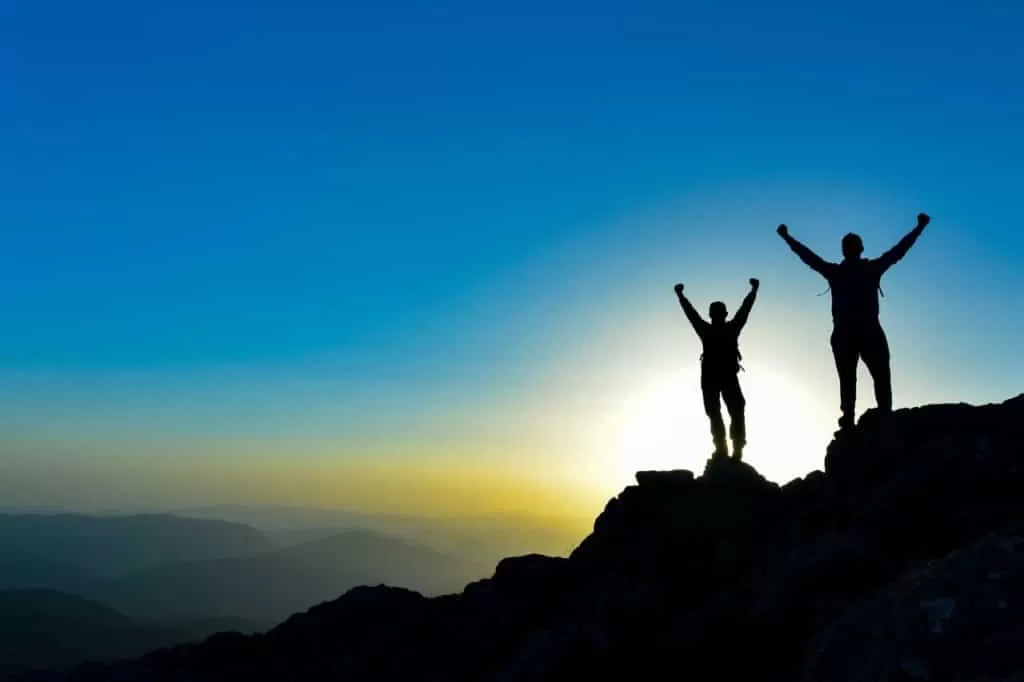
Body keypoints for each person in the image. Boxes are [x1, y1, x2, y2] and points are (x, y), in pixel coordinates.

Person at [776, 213, 931, 431]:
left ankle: (863, 416)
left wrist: (786, 237)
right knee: (863, 377)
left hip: (858, 332)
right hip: (854, 333)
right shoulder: (854, 270)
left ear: (851, 249)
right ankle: (862, 416)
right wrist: (919, 227)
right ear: (859, 248)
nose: (849, 248)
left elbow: (808, 257)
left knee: (866, 377)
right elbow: (899, 251)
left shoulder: (849, 270)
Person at [674, 278, 759, 460]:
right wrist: (753, 291)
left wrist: (680, 295)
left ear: (714, 315)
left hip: (719, 376)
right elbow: (744, 310)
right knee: (720, 411)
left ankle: (729, 449)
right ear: (722, 314)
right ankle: (726, 449)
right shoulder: (723, 329)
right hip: (716, 377)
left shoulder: (713, 329)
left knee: (728, 410)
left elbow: (691, 314)